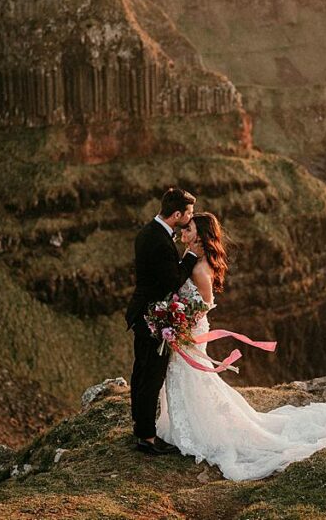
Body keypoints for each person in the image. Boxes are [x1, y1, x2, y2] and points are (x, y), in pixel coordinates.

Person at [156, 212, 326, 481]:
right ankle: (184, 426)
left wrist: (179, 324)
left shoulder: (200, 269)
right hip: (183, 330)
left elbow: (204, 307)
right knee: (186, 377)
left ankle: (198, 430)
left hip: (191, 330)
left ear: (199, 235)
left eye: (187, 229)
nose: (182, 233)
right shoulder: (194, 261)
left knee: (193, 378)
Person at [126, 187, 204, 455]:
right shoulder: (159, 241)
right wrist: (191, 256)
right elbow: (172, 280)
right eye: (189, 213)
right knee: (151, 376)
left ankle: (140, 427)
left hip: (141, 311)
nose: (190, 217)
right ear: (177, 214)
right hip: (151, 317)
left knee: (141, 372)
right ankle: (146, 437)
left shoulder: (148, 231)